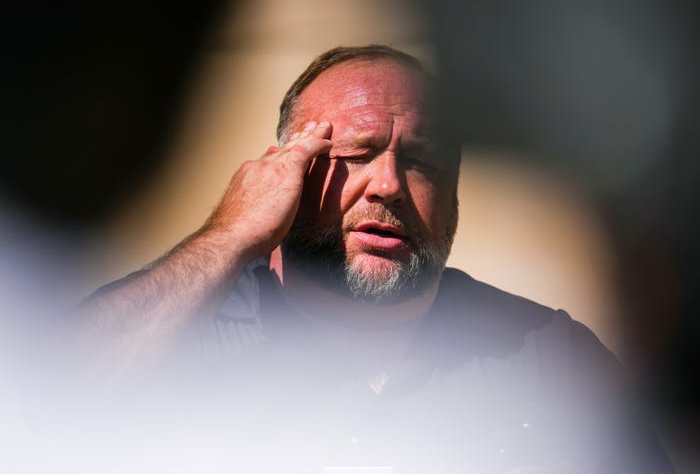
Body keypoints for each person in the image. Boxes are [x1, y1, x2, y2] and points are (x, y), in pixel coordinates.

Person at [78, 45, 672, 473]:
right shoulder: (190, 329)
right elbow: (50, 395)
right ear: (283, 170)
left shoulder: (545, 355)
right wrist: (231, 234)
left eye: (421, 161)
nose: (388, 183)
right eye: (357, 154)